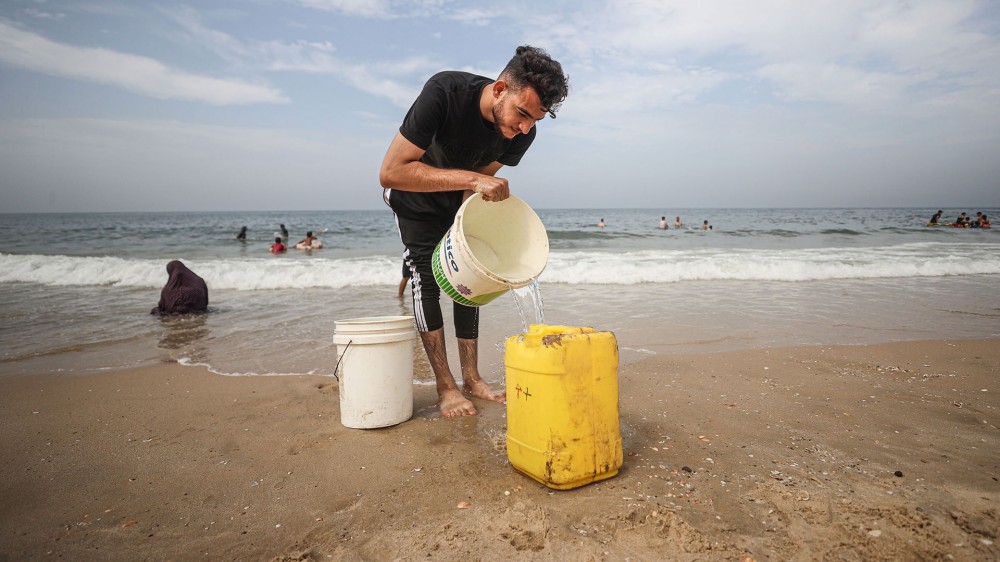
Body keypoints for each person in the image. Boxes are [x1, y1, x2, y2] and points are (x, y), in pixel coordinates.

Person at [379, 45, 569, 418]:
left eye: (536, 121)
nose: (525, 128)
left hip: (457, 197)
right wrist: (473, 180)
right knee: (426, 277)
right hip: (412, 193)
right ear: (500, 89)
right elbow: (392, 171)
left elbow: (482, 178)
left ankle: (472, 378)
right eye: (523, 114)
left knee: (470, 278)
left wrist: (470, 229)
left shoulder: (521, 133)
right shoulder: (445, 92)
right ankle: (446, 387)